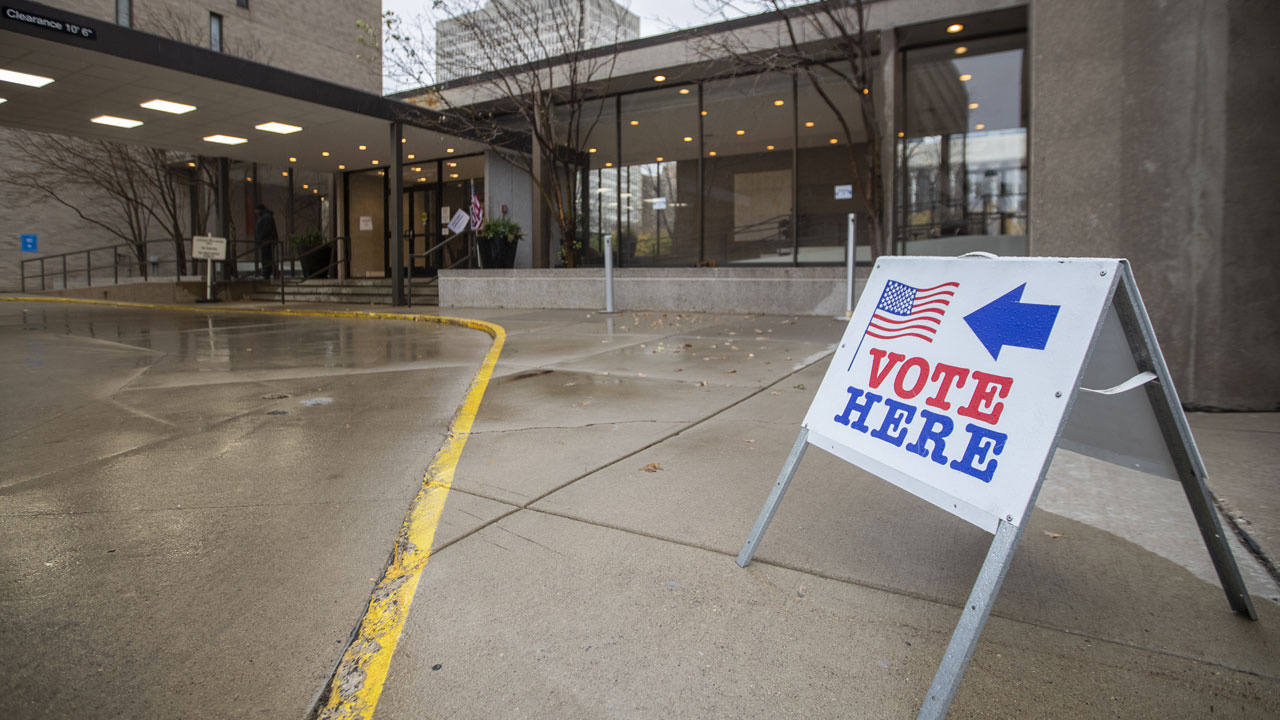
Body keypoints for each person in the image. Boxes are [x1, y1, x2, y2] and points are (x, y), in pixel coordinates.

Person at [253, 203, 279, 280]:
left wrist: (260, 238)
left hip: (267, 241)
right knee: (268, 258)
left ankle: (267, 273)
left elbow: (266, 229)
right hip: (266, 241)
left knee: (266, 257)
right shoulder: (265, 217)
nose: (256, 213)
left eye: (257, 211)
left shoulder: (266, 217)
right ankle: (272, 272)